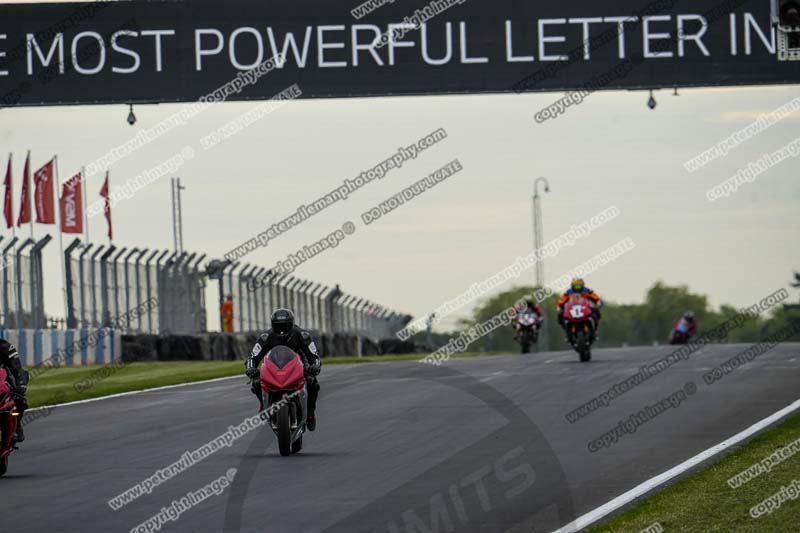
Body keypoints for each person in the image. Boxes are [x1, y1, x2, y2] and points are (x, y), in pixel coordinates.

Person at [245, 309, 321, 431]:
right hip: (274, 365)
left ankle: (311, 413)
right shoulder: (266, 337)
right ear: (272, 324)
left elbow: (313, 355)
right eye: (278, 325)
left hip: (298, 365)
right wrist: (251, 368)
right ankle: (263, 405)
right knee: (256, 382)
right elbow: (253, 356)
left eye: (285, 325)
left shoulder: (302, 335)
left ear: (291, 323)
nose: (282, 329)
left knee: (313, 383)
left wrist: (315, 366)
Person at [0, 339, 29, 443]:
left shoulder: (5, 347)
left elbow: (17, 368)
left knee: (19, 399)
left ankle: (17, 425)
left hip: (3, 382)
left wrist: (21, 384)